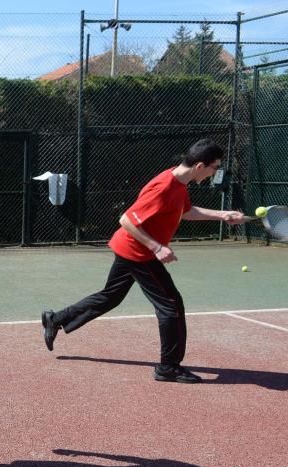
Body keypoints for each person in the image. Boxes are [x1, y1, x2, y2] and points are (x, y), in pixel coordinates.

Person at [41, 139, 244, 383]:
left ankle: (55, 319)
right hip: (139, 252)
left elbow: (186, 211)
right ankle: (168, 367)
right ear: (200, 166)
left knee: (110, 297)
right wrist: (157, 247)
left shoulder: (179, 183)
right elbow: (126, 219)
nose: (215, 173)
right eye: (214, 168)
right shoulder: (164, 186)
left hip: (130, 249)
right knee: (171, 307)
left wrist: (223, 215)